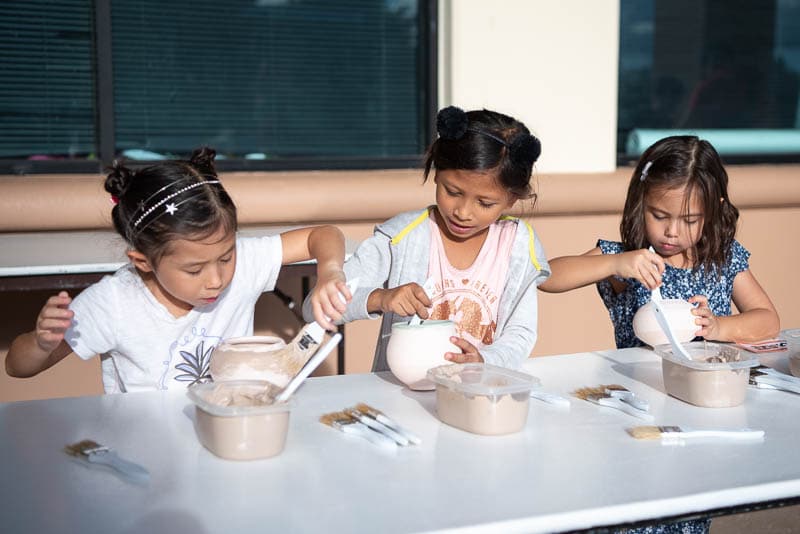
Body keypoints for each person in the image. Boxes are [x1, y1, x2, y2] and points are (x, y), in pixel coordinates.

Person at [5, 147, 350, 393]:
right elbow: (18, 368)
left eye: (225, 258)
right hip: (148, 454)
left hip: (223, 434)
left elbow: (322, 235)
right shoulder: (113, 304)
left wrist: (330, 272)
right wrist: (41, 342)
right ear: (144, 261)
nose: (216, 279)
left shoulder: (243, 264)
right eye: (194, 269)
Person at [304, 106, 550, 371]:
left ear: (511, 199)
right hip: (401, 400)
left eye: (485, 203)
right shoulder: (401, 237)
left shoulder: (518, 245)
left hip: (480, 396)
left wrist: (486, 361)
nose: (463, 212)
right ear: (437, 173)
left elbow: (521, 332)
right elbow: (313, 308)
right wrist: (379, 298)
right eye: (453, 192)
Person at [539, 135, 780, 349]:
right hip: (643, 388)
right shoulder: (629, 259)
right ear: (640, 203)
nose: (672, 231)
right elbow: (547, 277)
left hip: (707, 386)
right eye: (660, 216)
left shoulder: (721, 257)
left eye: (690, 220)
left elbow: (768, 321)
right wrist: (614, 264)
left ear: (712, 211)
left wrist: (718, 327)